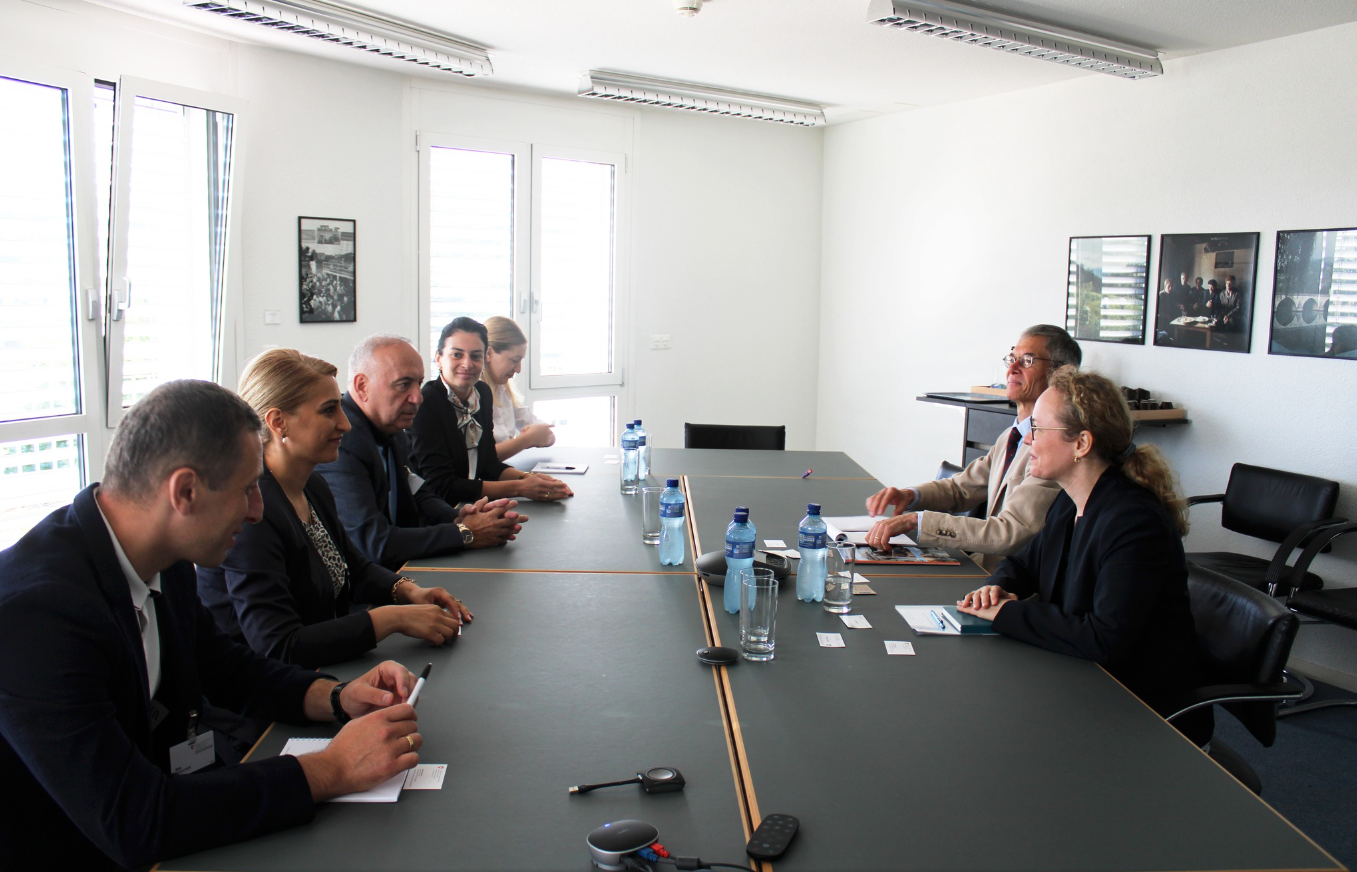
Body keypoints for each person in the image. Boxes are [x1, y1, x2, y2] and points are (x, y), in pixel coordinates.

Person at [0, 380, 425, 871]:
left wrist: (335, 696)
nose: (257, 510)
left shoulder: (165, 551)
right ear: (185, 492)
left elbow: (224, 665)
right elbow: (135, 819)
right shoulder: (35, 616)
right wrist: (331, 769)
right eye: (247, 489)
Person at [956, 367, 1210, 744]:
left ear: (1081, 443)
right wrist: (997, 587)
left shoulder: (1134, 522)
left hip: (1145, 716)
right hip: (1081, 683)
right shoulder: (1070, 500)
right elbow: (1024, 563)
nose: (1028, 439)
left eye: (1038, 428)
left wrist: (1006, 612)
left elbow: (1104, 638)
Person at [198, 349, 474, 668]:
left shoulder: (312, 485)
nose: (345, 424)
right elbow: (279, 646)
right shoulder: (253, 514)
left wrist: (408, 591)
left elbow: (352, 565)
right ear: (278, 422)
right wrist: (392, 619)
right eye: (329, 410)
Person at [864, 325, 1080, 572]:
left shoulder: (1052, 450)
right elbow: (960, 488)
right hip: (983, 568)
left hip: (1007, 582)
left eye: (1027, 360)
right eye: (1012, 358)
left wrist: (918, 521)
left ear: (1060, 374)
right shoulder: (1011, 435)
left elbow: (1009, 532)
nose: (1012, 368)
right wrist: (911, 496)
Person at [317, 334, 527, 571]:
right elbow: (374, 543)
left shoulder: (390, 427)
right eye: (403, 384)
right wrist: (465, 533)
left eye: (418, 383)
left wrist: (457, 517)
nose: (417, 397)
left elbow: (415, 490)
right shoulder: (342, 442)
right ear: (362, 386)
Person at [408, 317, 574, 505]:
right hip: (433, 511)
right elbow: (443, 487)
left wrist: (530, 479)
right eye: (456, 355)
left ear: (485, 358)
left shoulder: (482, 393)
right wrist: (521, 488)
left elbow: (488, 464)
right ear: (439, 359)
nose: (467, 364)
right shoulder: (426, 402)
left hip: (467, 505)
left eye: (476, 356)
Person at [481, 315, 557, 460]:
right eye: (514, 360)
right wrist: (526, 440)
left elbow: (542, 429)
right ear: (489, 353)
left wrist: (544, 436)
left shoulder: (503, 390)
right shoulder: (473, 396)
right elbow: (481, 458)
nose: (518, 369)